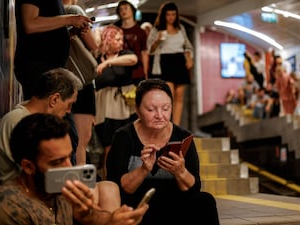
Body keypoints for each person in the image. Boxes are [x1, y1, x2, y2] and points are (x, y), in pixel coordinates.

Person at [0, 113, 148, 225]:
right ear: (28, 166)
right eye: (57, 162)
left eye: (69, 157)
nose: (69, 167)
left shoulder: (55, 188)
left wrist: (109, 218)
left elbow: (92, 217)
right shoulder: (8, 206)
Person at [106, 79, 220, 225]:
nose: (160, 115)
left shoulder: (183, 136)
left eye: (165, 108)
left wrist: (180, 171)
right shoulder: (124, 136)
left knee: (205, 200)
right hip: (138, 205)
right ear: (137, 109)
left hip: (173, 204)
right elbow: (118, 187)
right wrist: (143, 169)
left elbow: (194, 187)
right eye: (151, 110)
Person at [0, 68, 81, 184]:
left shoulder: (43, 123)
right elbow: (35, 174)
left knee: (107, 187)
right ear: (54, 99)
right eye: (69, 104)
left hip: (44, 187)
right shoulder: (17, 120)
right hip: (25, 191)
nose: (69, 111)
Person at [14, 0, 92, 100]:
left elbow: (47, 33)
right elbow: (30, 24)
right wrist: (70, 19)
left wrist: (71, 32)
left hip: (49, 69)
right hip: (38, 67)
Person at [93, 24, 139, 179]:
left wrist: (109, 63)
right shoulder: (97, 58)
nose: (121, 43)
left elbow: (133, 59)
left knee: (126, 145)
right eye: (117, 39)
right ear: (108, 40)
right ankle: (108, 180)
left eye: (121, 39)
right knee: (108, 148)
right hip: (104, 108)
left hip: (123, 107)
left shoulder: (124, 55)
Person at [62, 0, 99, 166]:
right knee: (82, 141)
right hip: (82, 82)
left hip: (60, 82)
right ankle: (81, 188)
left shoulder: (46, 15)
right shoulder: (73, 11)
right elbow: (93, 44)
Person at [147, 2, 194, 126]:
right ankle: (167, 124)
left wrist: (189, 58)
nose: (171, 17)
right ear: (164, 15)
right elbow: (149, 49)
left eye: (173, 14)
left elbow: (188, 46)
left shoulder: (181, 29)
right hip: (165, 61)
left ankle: (176, 126)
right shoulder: (157, 29)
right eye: (168, 14)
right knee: (170, 95)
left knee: (179, 96)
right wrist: (157, 40)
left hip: (179, 61)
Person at [115, 0, 149, 80]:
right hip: (121, 70)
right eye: (121, 9)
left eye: (126, 8)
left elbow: (144, 52)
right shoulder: (117, 31)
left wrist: (145, 72)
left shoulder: (140, 32)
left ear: (132, 11)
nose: (123, 11)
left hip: (137, 71)